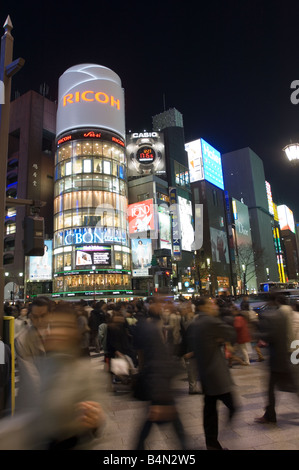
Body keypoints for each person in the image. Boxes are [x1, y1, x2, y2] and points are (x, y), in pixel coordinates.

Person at [132, 302, 188, 450]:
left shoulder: (158, 328)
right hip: (160, 390)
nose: (165, 307)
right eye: (161, 305)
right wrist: (160, 396)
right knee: (174, 430)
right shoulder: (151, 330)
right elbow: (155, 363)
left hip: (161, 387)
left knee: (152, 426)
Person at [189, 296, 237, 450]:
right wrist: (220, 339)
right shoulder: (210, 321)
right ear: (202, 307)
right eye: (210, 305)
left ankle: (212, 443)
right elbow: (231, 332)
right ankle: (220, 436)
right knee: (231, 405)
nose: (213, 307)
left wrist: (217, 340)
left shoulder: (196, 322)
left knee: (209, 410)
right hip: (217, 374)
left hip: (205, 372)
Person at [255, 293, 299, 424]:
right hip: (293, 353)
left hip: (283, 356)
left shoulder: (279, 315)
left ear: (275, 302)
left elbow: (274, 335)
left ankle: (270, 415)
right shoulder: (294, 314)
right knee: (293, 386)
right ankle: (269, 414)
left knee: (276, 387)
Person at [14, 296, 52, 413]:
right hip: (32, 404)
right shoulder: (21, 339)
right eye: (35, 317)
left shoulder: (58, 333)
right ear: (30, 316)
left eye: (43, 316)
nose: (39, 321)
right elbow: (31, 377)